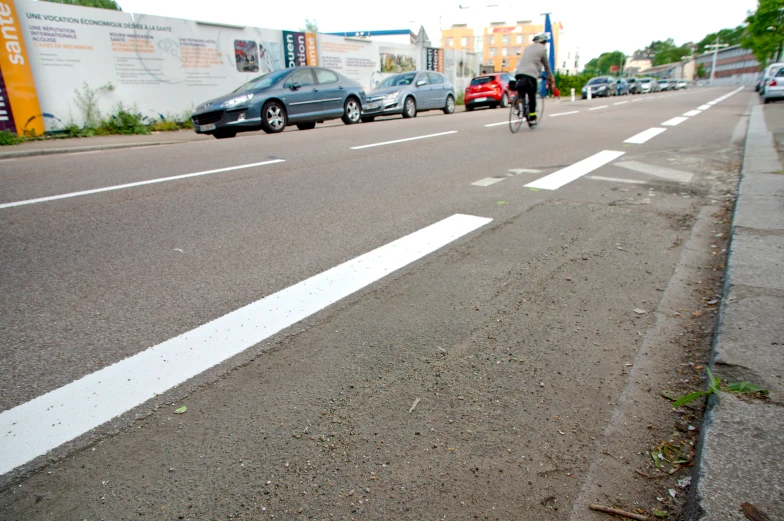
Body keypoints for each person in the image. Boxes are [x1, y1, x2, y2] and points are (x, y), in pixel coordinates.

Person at [513, 32, 555, 126]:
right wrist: (549, 77)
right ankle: (532, 117)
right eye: (545, 42)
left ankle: (519, 99)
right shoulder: (542, 49)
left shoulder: (528, 48)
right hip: (531, 75)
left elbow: (528, 61)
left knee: (522, 91)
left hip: (519, 73)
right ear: (543, 41)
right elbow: (546, 64)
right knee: (532, 96)